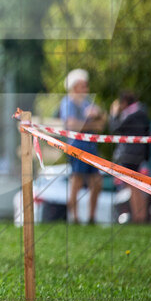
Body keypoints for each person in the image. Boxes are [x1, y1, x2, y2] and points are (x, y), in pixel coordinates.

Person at [58, 68, 106, 224]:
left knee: (97, 182)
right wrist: (91, 123)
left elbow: (101, 125)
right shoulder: (67, 102)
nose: (86, 88)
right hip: (76, 145)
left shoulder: (86, 102)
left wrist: (90, 122)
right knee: (77, 181)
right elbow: (71, 124)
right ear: (74, 86)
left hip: (90, 145)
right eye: (83, 85)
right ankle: (75, 217)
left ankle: (92, 217)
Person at [109, 89, 151, 223]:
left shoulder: (130, 115)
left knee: (134, 187)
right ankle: (142, 216)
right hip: (141, 155)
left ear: (125, 102)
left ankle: (139, 217)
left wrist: (114, 114)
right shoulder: (142, 112)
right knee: (140, 187)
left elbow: (114, 128)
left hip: (129, 156)